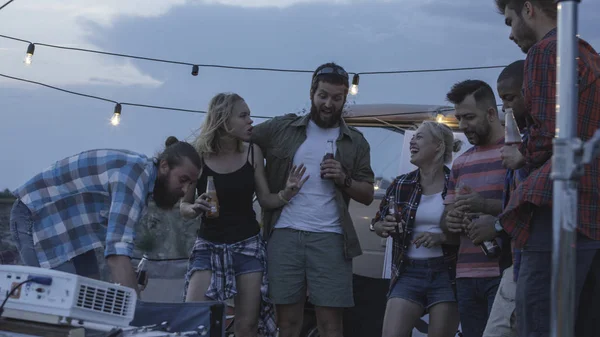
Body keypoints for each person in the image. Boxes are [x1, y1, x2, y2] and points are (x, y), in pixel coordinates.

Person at [495, 1, 600, 336]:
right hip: (590, 208)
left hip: (556, 206)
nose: (510, 34)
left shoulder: (544, 52)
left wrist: (519, 156)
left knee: (538, 318)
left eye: (510, 21)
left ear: (528, 9)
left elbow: (549, 137)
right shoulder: (586, 53)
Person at [251, 62, 375, 337]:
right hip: (284, 233)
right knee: (288, 324)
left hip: (330, 237)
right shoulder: (283, 128)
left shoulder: (355, 141)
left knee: (331, 325)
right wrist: (261, 179)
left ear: (345, 98)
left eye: (337, 98)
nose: (329, 103)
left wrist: (344, 178)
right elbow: (246, 137)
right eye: (323, 96)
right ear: (311, 93)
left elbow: (367, 194)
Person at [179, 92, 309, 337]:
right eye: (243, 116)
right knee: (193, 317)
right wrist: (195, 207)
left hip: (247, 245)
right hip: (209, 245)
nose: (251, 121)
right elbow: (182, 207)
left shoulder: (252, 152)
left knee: (247, 325)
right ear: (224, 121)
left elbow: (266, 200)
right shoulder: (199, 155)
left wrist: (287, 193)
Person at [10, 137, 202, 294]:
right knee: (58, 301)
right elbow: (116, 254)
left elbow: (116, 240)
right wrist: (138, 314)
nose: (185, 191)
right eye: (183, 180)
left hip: (73, 232)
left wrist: (128, 275)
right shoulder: (133, 176)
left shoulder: (143, 184)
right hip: (35, 216)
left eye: (190, 184)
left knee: (90, 299)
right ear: (165, 166)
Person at [372, 121, 462, 337]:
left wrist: (441, 237)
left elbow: (468, 233)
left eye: (419, 137)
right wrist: (381, 227)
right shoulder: (401, 183)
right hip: (408, 271)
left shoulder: (457, 183)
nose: (412, 140)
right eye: (413, 137)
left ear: (439, 146)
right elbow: (377, 221)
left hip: (446, 273)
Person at [442, 79, 512, 337]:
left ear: (492, 113)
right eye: (459, 117)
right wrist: (451, 221)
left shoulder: (515, 154)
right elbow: (446, 220)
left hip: (504, 272)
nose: (462, 126)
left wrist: (483, 206)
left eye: (469, 117)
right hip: (466, 275)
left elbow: (526, 209)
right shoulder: (460, 163)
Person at [482, 59, 527, 337]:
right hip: (516, 260)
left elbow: (531, 203)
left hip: (530, 262)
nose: (505, 108)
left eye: (509, 98)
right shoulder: (524, 141)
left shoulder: (538, 145)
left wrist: (497, 225)